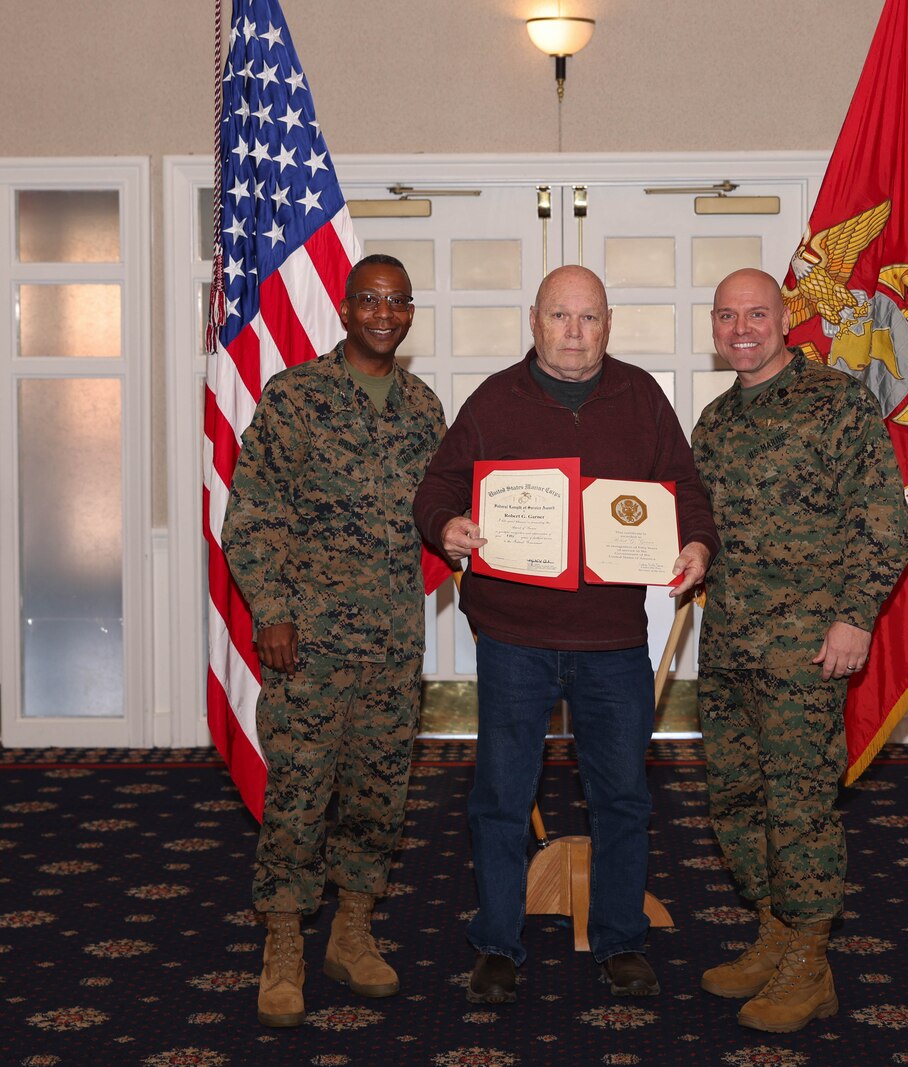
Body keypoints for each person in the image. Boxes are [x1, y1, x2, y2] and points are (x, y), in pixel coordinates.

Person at [413, 265, 719, 1004]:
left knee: (622, 800)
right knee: (500, 795)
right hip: (513, 636)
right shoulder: (493, 399)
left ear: (607, 323)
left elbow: (685, 492)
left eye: (587, 318)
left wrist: (697, 546)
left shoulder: (641, 397)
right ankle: (495, 942)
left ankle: (618, 940)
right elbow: (437, 487)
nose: (574, 333)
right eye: (559, 317)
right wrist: (446, 525)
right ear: (534, 320)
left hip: (612, 641)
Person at [222, 254, 445, 1028]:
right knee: (300, 795)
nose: (384, 313)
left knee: (380, 795)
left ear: (410, 311)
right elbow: (251, 516)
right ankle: (282, 941)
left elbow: (443, 511)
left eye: (398, 301)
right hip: (308, 641)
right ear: (345, 309)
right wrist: (274, 610)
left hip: (390, 641)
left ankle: (351, 930)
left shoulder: (423, 407)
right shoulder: (295, 397)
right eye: (370, 301)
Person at [692, 268, 908, 1033]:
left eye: (755, 313)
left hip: (804, 650)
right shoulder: (713, 422)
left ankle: (810, 962)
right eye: (726, 315)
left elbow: (886, 524)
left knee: (798, 806)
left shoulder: (837, 402)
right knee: (734, 800)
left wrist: (854, 619)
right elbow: (706, 530)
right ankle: (775, 933)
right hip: (727, 645)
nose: (740, 328)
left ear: (785, 317)